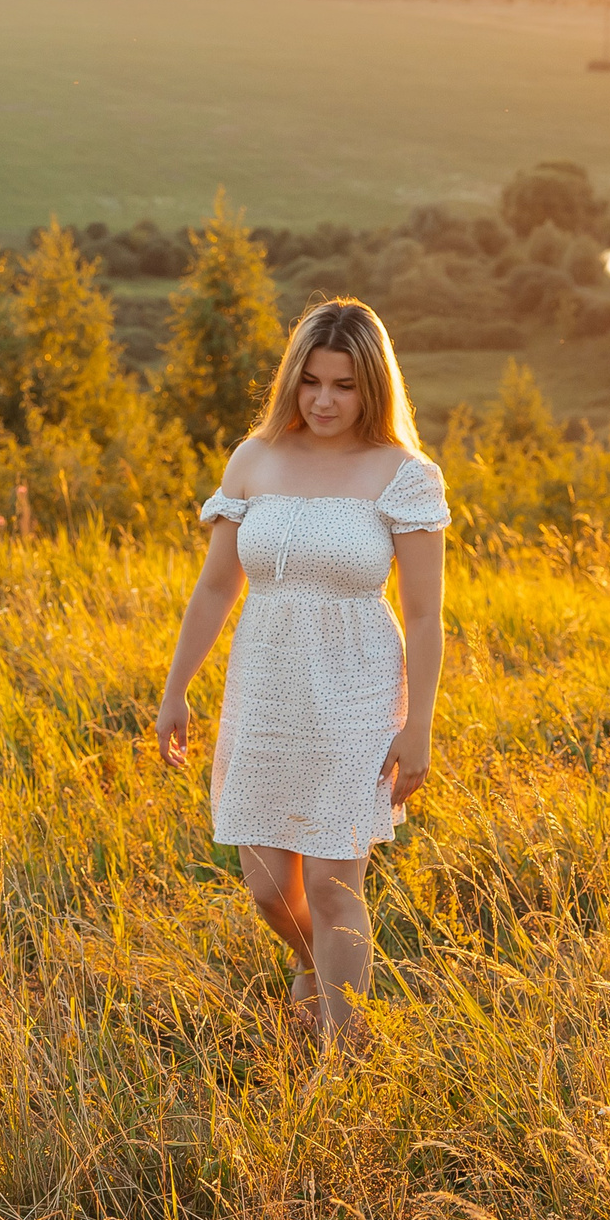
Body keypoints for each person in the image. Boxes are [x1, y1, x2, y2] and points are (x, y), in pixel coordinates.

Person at [154, 299, 450, 1039]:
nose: (324, 400)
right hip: (265, 690)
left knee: (332, 884)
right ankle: (315, 964)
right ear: (293, 378)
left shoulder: (404, 474)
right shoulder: (254, 460)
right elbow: (218, 585)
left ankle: (341, 1067)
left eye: (344, 385)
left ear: (373, 386)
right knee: (266, 889)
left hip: (356, 692)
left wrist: (418, 728)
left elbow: (422, 615)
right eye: (312, 380)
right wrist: (176, 689)